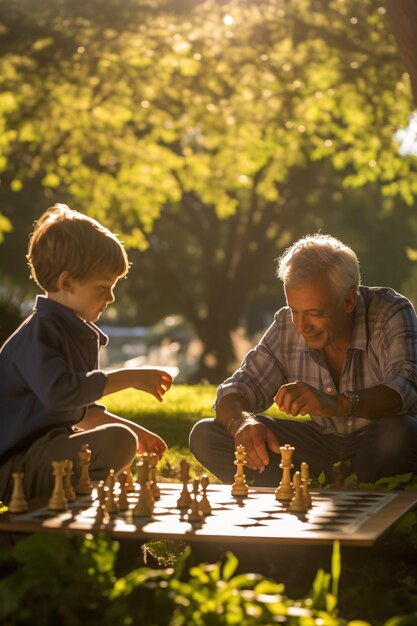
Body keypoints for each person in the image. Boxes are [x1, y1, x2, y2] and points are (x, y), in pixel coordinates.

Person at [189, 234, 417, 485]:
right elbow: (236, 390)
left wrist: (337, 404)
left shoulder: (390, 311)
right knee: (207, 435)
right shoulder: (286, 324)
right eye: (294, 310)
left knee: (401, 433)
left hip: (378, 439)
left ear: (349, 300)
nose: (301, 326)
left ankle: (335, 484)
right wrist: (242, 423)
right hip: (321, 445)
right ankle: (312, 487)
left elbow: (405, 387)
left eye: (314, 313)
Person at [0, 204, 173, 504]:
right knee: (119, 442)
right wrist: (128, 377)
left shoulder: (74, 332)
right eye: (103, 287)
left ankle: (73, 525)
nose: (111, 297)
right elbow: (62, 394)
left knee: (121, 438)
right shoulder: (39, 334)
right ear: (66, 283)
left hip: (50, 451)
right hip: (17, 464)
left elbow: (80, 410)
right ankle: (21, 536)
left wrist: (134, 430)